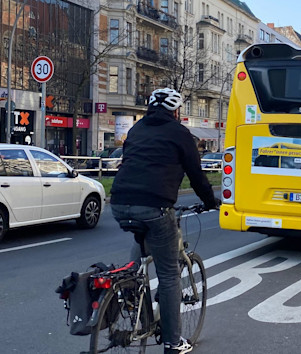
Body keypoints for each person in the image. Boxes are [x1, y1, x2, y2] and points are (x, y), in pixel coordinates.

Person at [109, 88, 219, 354]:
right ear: (176, 111)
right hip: (155, 205)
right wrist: (210, 201)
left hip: (119, 202)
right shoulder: (180, 134)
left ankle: (130, 287)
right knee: (169, 274)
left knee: (142, 241)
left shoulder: (136, 130)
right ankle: (173, 342)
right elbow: (196, 175)